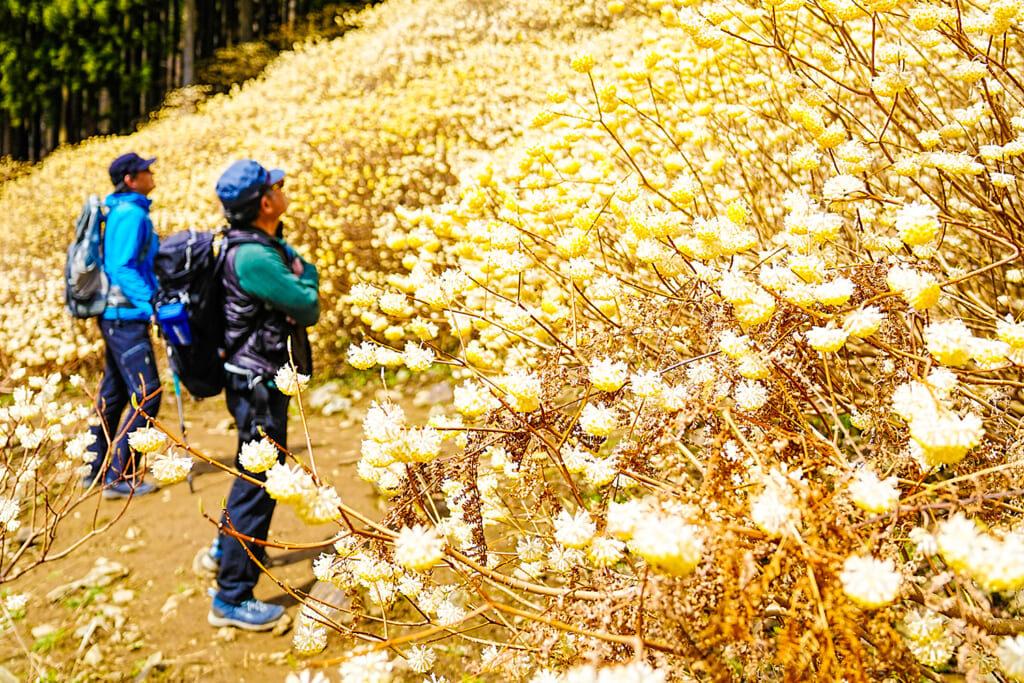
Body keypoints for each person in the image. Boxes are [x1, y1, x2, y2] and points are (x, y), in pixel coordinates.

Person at [203, 159, 320, 631]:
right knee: (261, 479)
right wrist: (307, 271)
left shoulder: (254, 244)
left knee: (251, 468)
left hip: (248, 376)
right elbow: (306, 304)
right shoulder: (253, 257)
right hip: (258, 382)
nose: (284, 189)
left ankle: (222, 550)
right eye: (278, 186)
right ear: (265, 203)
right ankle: (231, 598)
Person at [83, 152, 162, 500]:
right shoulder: (131, 214)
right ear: (131, 179)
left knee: (114, 395)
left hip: (115, 317)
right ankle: (120, 476)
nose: (151, 172)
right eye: (146, 169)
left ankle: (93, 469)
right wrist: (153, 305)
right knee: (148, 393)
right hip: (125, 317)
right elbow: (123, 268)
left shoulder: (122, 210)